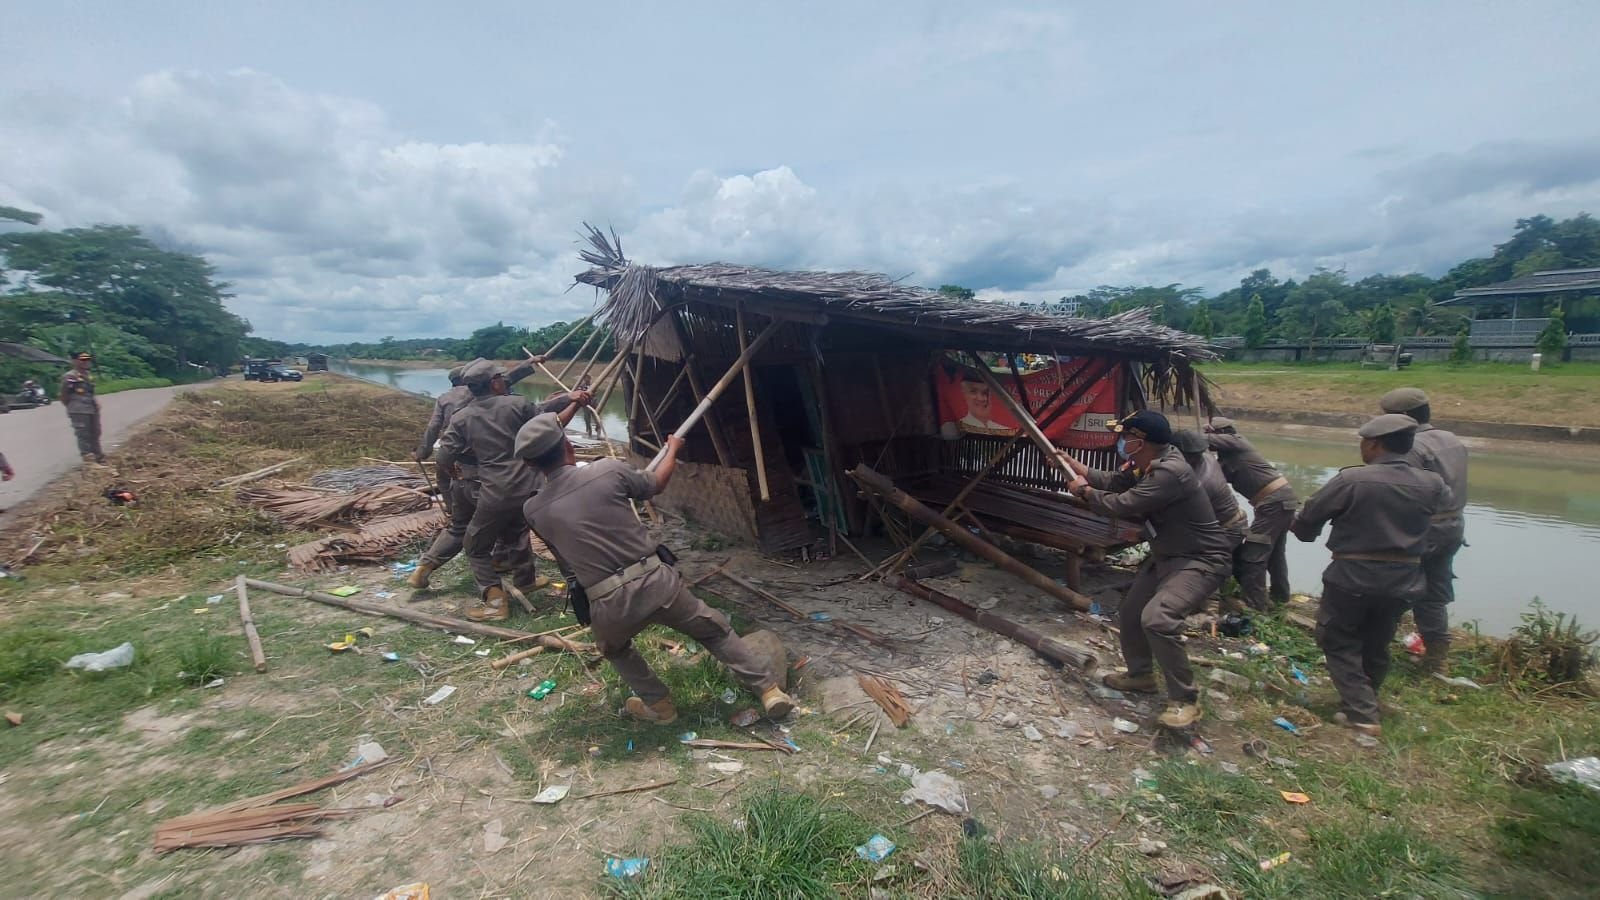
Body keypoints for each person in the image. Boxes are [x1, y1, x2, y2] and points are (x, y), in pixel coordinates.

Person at [516, 415, 797, 725]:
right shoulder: (607, 469)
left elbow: (565, 560)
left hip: (607, 600)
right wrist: (672, 449)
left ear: (531, 465)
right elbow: (656, 484)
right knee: (714, 631)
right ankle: (769, 691)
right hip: (655, 582)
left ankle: (659, 705)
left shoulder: (533, 510)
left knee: (614, 648)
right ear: (568, 445)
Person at [1059, 410, 1234, 729]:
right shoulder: (1147, 463)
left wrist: (1083, 491)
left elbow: (1120, 504)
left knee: (1158, 619)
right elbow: (1114, 482)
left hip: (1200, 559)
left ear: (1139, 442)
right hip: (1166, 555)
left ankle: (1185, 701)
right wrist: (1076, 467)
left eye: (1126, 437)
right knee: (1130, 613)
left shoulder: (1170, 471)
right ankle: (1141, 676)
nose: (1122, 442)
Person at [1290, 414, 1452, 736]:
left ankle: (1362, 714)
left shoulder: (1351, 481)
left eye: (1364, 442)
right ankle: (1367, 700)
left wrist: (1300, 527)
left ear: (1375, 444)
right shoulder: (1432, 484)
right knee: (1377, 642)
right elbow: (1443, 525)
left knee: (1337, 639)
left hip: (1353, 575)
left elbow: (1308, 521)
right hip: (1405, 579)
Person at [437, 360, 587, 621]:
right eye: (501, 378)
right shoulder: (518, 405)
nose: (504, 382)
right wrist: (575, 402)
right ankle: (587, 588)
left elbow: (443, 457)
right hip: (534, 488)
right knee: (556, 540)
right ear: (494, 382)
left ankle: (496, 605)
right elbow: (553, 425)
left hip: (497, 493)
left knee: (474, 545)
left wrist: (451, 471)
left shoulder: (462, 418)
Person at [407, 359, 540, 590]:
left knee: (459, 526)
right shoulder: (508, 403)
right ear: (493, 382)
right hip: (490, 478)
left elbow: (435, 434)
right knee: (511, 526)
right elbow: (535, 409)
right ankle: (515, 580)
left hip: (462, 477)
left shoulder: (446, 401)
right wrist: (531, 365)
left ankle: (425, 567)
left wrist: (425, 453)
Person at [1379, 388, 1469, 673]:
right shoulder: (1451, 439)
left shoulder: (1412, 448)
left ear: (1403, 418)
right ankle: (1436, 659)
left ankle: (1373, 648)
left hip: (1422, 529)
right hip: (1453, 526)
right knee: (1435, 592)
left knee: (1392, 588)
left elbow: (1403, 493)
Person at [1204, 418, 1297, 609]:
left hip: (1274, 502)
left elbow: (1201, 439)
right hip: (1278, 501)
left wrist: (1201, 436)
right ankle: (1280, 597)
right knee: (1275, 553)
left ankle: (1256, 604)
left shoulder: (1236, 441)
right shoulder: (1227, 457)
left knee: (1253, 554)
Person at [1173, 428, 1247, 559]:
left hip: (1226, 529)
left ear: (1185, 456)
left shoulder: (1199, 483)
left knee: (1203, 565)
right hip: (1232, 521)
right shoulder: (1207, 457)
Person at [60, 352, 106, 465]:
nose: (86, 362)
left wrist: (96, 403)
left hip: (91, 407)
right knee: (83, 434)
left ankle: (98, 456)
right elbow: (63, 394)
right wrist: (72, 406)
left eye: (88, 360)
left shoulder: (88, 375)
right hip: (78, 409)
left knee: (96, 432)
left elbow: (91, 392)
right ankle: (88, 459)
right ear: (75, 361)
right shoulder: (70, 376)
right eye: (83, 360)